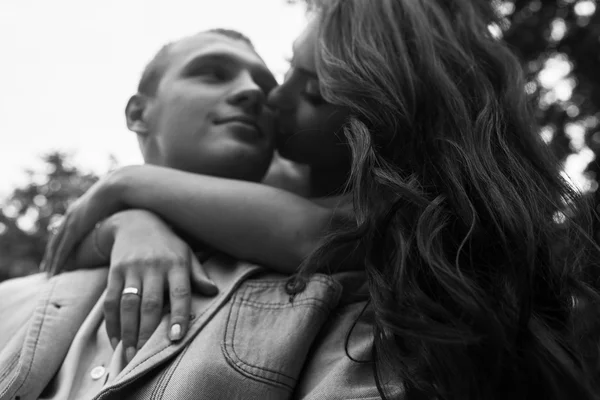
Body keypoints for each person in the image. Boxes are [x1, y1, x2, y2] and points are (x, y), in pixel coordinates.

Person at [6, 0, 600, 399]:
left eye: (300, 88)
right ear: (137, 112)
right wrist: (129, 222)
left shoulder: (355, 276)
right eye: (213, 73)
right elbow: (67, 252)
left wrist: (126, 186)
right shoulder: (26, 296)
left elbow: (313, 233)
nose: (258, 96)